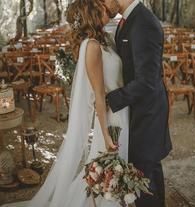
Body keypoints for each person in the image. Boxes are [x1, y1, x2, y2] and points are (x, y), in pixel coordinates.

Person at [26, 0, 129, 207]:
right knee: (108, 171)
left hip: (123, 109)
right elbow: (99, 96)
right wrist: (107, 136)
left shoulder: (104, 39)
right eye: (99, 6)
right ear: (92, 14)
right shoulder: (91, 46)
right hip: (111, 120)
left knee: (115, 171)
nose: (104, 6)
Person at [104, 0, 172, 206]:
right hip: (138, 112)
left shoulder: (143, 22)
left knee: (143, 181)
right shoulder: (128, 20)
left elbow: (147, 81)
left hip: (147, 116)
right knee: (148, 174)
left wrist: (110, 100)